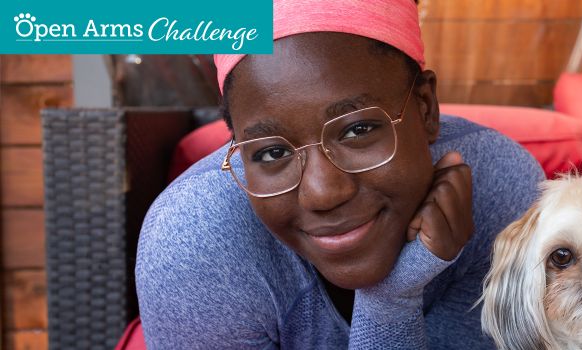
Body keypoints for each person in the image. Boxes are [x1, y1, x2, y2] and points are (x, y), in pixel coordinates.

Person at [134, 0, 543, 348]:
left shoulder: (498, 189)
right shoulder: (194, 240)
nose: (322, 193)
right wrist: (390, 300)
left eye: (358, 129)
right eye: (272, 152)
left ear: (425, 108)